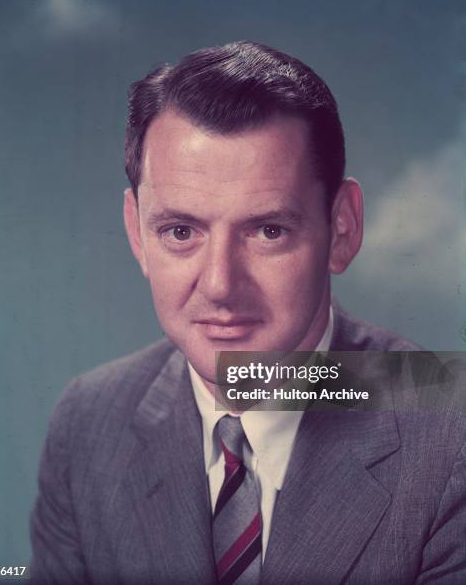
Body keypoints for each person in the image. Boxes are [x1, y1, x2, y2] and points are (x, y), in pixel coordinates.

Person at [29, 41, 466, 584]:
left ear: (343, 230)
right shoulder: (88, 424)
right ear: (137, 232)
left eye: (268, 231)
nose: (219, 285)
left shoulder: (453, 430)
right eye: (180, 232)